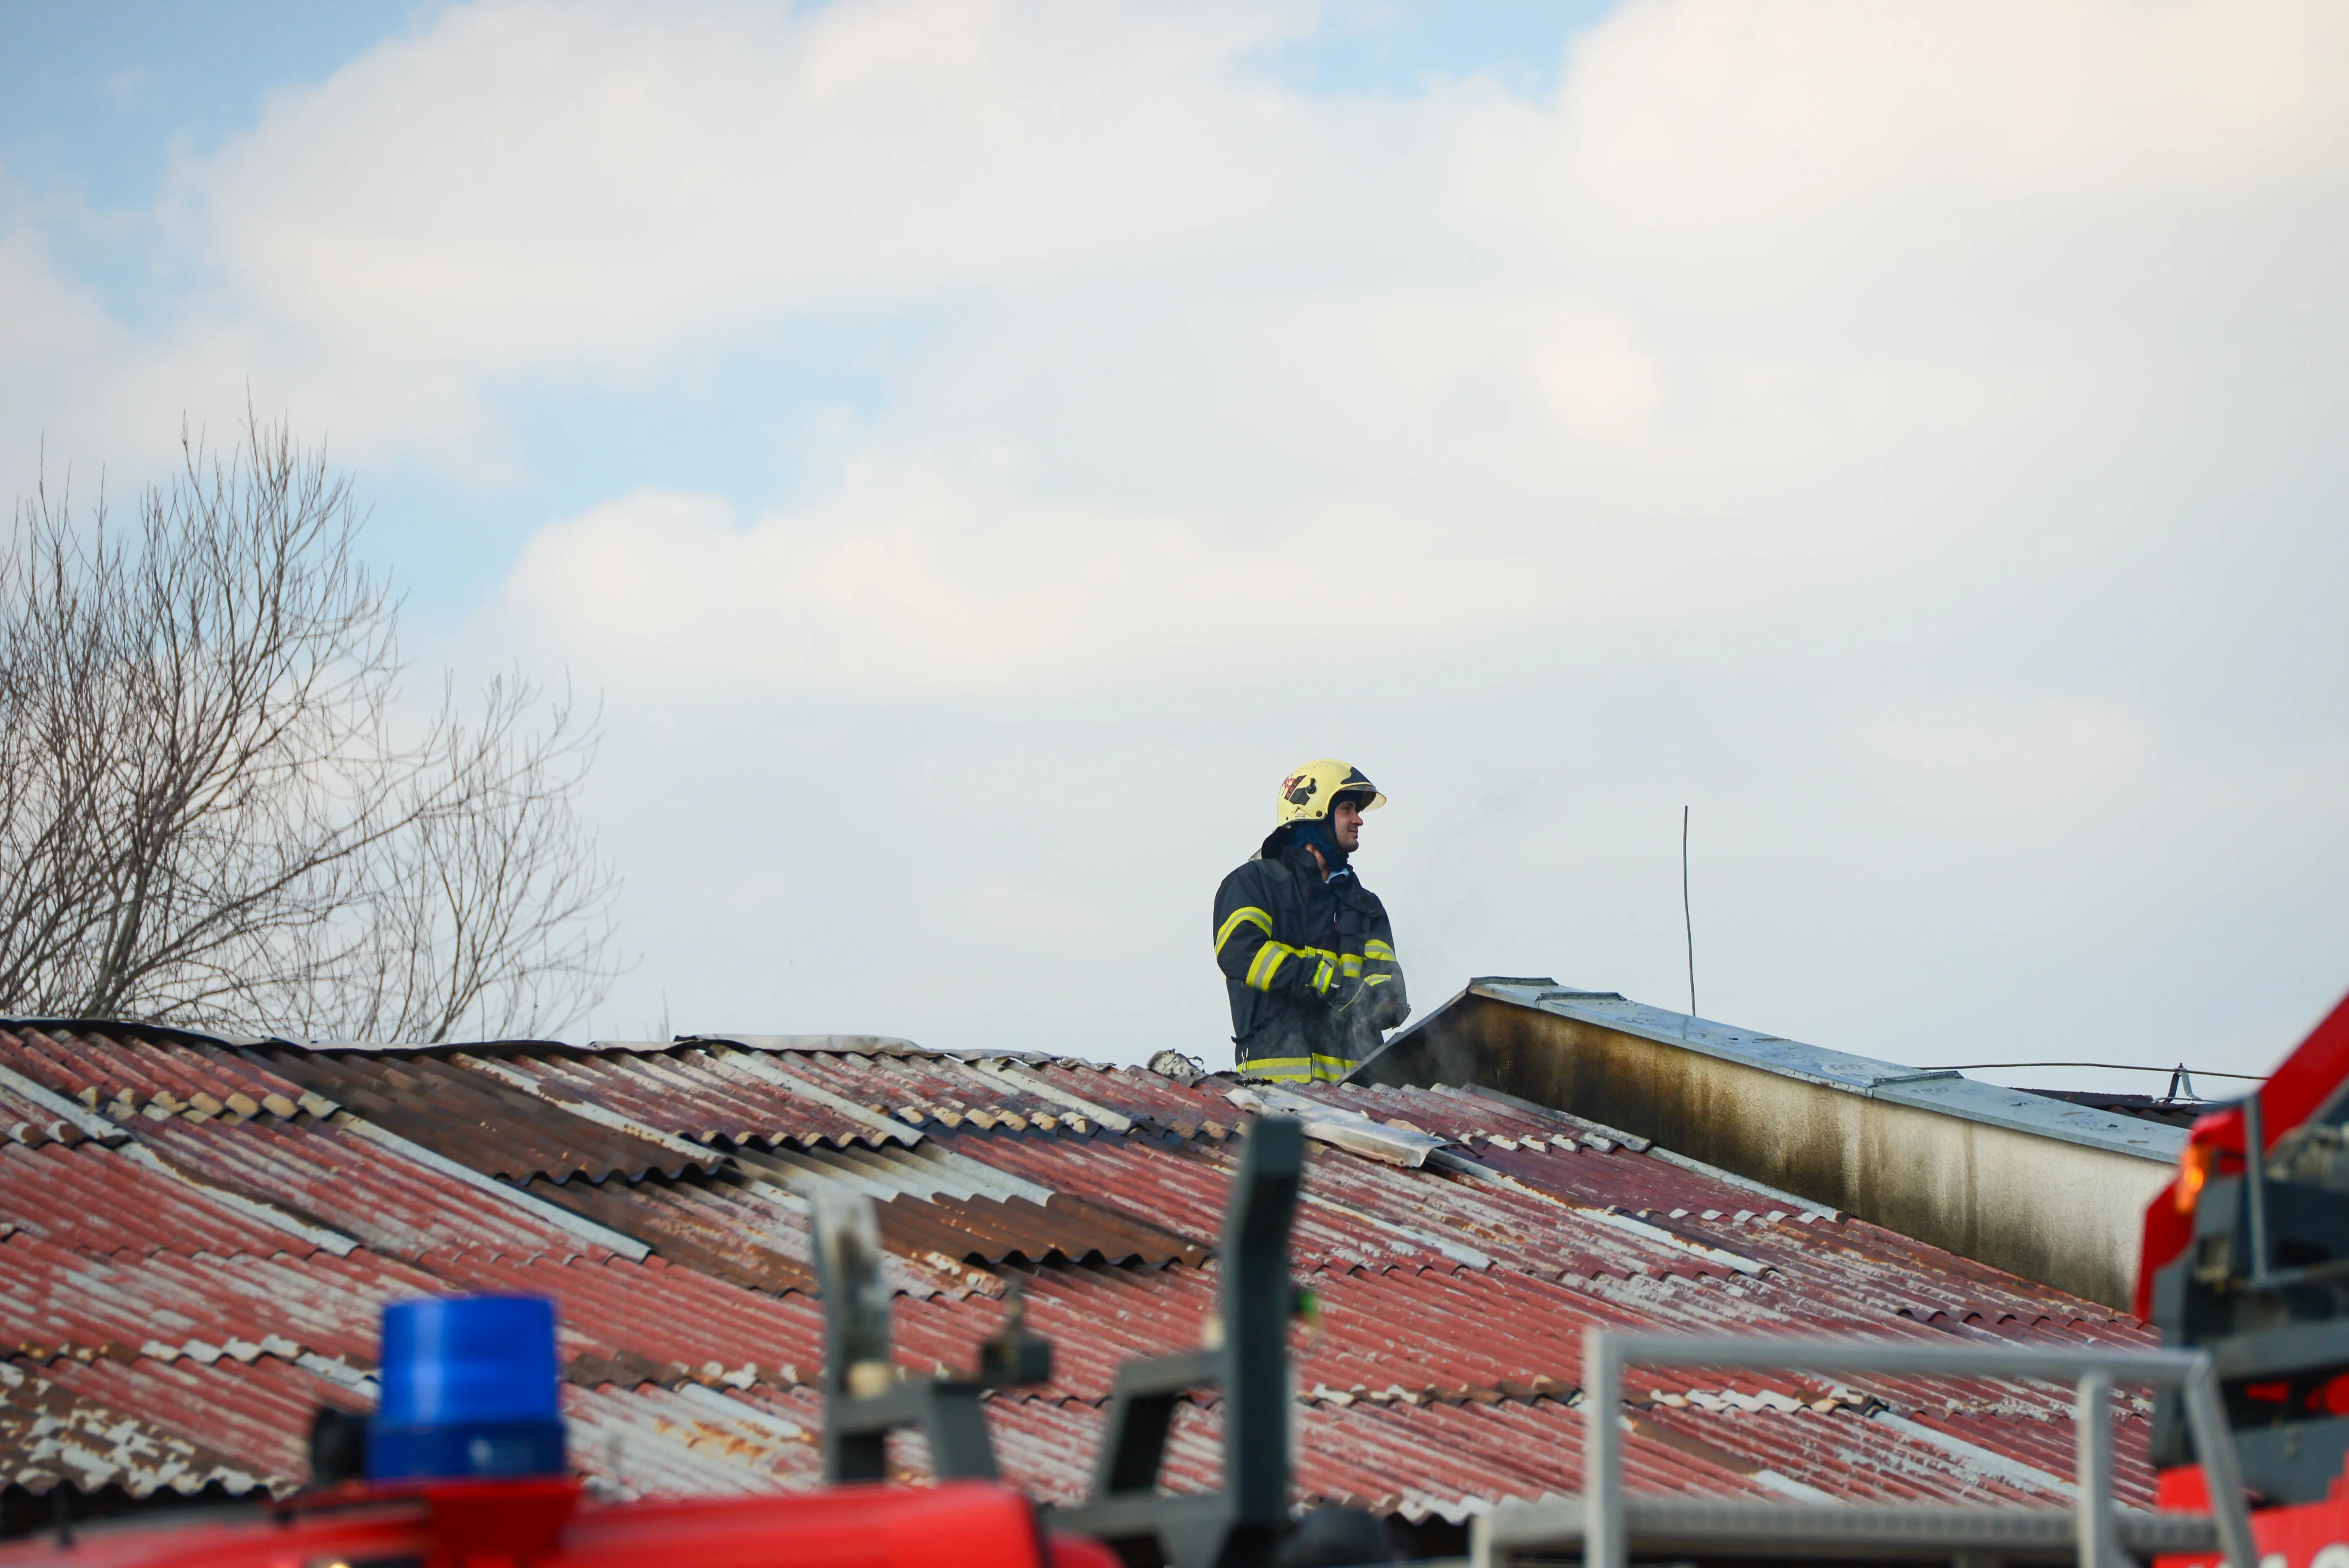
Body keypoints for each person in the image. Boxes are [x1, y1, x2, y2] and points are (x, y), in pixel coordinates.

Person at [1212, 759, 1409, 1083]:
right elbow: (1240, 951)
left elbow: (1389, 987)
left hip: (1360, 1095)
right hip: (1275, 1093)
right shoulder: (1254, 883)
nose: (1358, 820)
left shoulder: (1365, 906)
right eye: (1347, 809)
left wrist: (1377, 1001)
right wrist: (1320, 979)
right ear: (1315, 813)